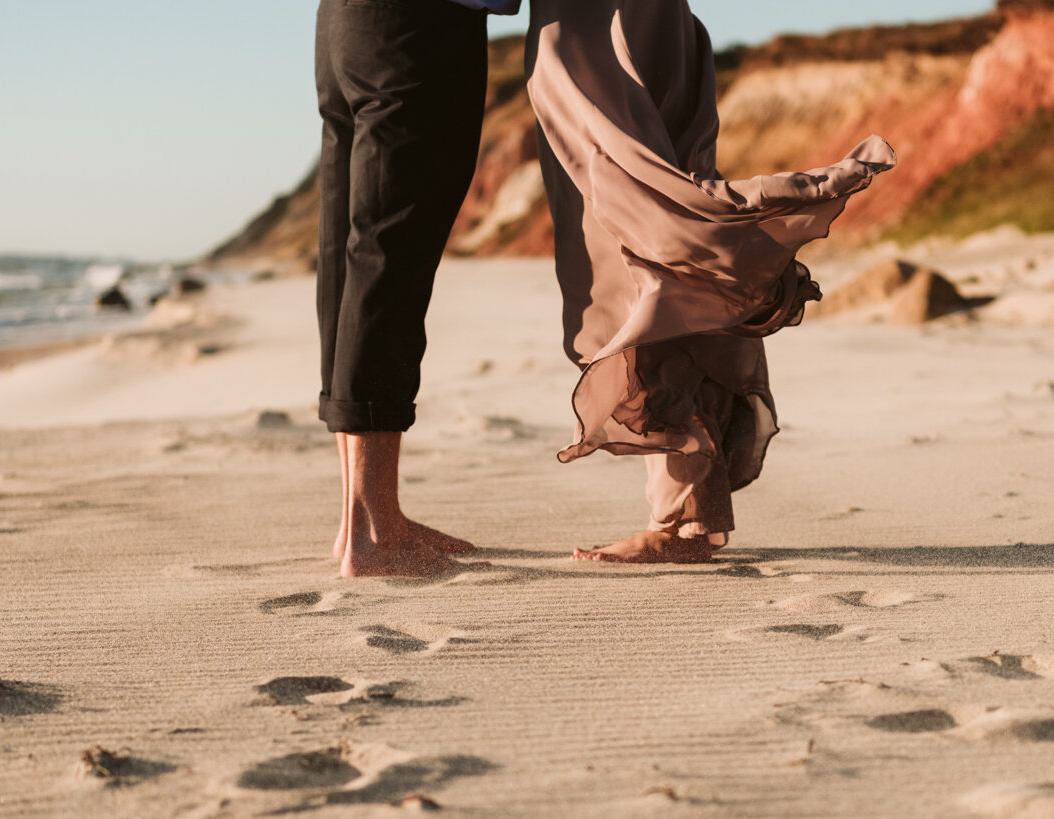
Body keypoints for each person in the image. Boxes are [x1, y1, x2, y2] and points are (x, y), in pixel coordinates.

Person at [525, 0, 897, 563]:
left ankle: (679, 519)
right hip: (653, 21)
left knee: (631, 238)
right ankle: (691, 512)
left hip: (594, 20)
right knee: (650, 224)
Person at [314, 0, 521, 577]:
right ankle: (372, 529)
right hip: (420, 22)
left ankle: (363, 518)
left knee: (351, 251)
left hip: (343, 22)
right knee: (388, 253)